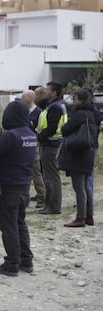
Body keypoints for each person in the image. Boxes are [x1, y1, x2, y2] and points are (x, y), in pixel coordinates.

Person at [0, 101, 37, 277]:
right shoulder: (30, 134)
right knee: (20, 223)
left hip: (9, 186)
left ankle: (12, 263)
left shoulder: (12, 136)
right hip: (24, 185)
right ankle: (26, 260)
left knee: (8, 226)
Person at [59, 89, 96, 227]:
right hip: (88, 151)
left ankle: (80, 217)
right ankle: (89, 216)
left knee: (79, 186)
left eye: (75, 99)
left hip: (78, 153)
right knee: (86, 185)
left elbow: (65, 129)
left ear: (80, 100)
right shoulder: (92, 113)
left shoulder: (79, 114)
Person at [37, 81, 67, 215]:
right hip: (52, 143)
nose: (45, 92)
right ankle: (50, 205)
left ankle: (53, 206)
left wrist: (39, 137)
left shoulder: (55, 108)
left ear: (54, 93)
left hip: (51, 144)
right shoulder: (57, 105)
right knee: (49, 177)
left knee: (51, 177)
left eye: (47, 90)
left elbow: (51, 129)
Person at [22, 90, 45, 209]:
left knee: (36, 172)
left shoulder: (38, 113)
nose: (21, 99)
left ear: (30, 98)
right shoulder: (24, 111)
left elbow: (39, 130)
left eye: (23, 97)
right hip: (22, 144)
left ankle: (42, 196)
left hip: (33, 145)